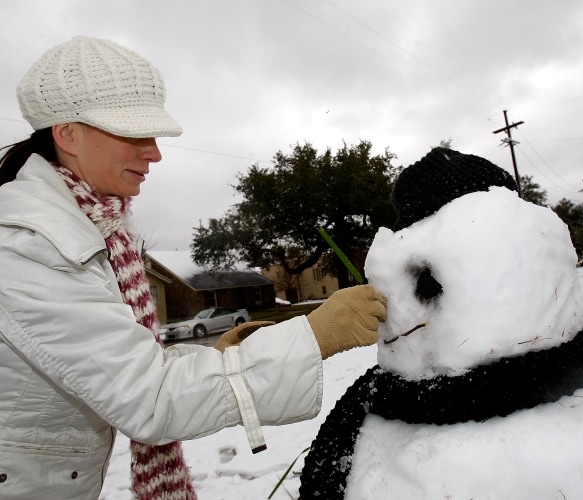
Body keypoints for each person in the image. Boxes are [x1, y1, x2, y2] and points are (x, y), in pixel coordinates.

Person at [0, 36, 386, 499]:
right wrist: (314, 335)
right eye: (134, 133)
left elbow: (125, 364)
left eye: (155, 136)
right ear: (67, 133)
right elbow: (151, 397)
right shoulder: (29, 244)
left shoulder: (95, 229)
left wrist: (222, 356)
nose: (155, 153)